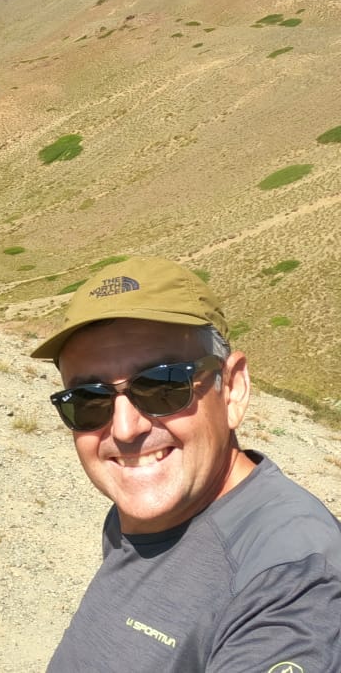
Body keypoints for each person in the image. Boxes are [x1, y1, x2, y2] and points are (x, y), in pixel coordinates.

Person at [34, 256, 341, 670]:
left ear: (232, 389)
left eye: (162, 385)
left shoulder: (292, 581)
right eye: (89, 399)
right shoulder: (152, 507)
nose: (124, 429)